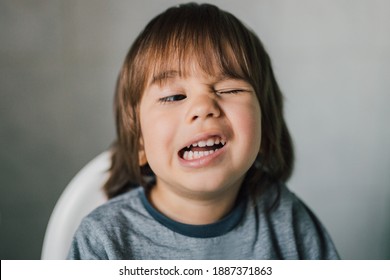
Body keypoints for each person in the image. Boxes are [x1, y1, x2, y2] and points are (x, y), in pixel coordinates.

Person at [68, 3, 339, 259]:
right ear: (139, 142)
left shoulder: (287, 221)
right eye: (174, 97)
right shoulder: (104, 240)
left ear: (265, 128)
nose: (203, 107)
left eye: (229, 90)